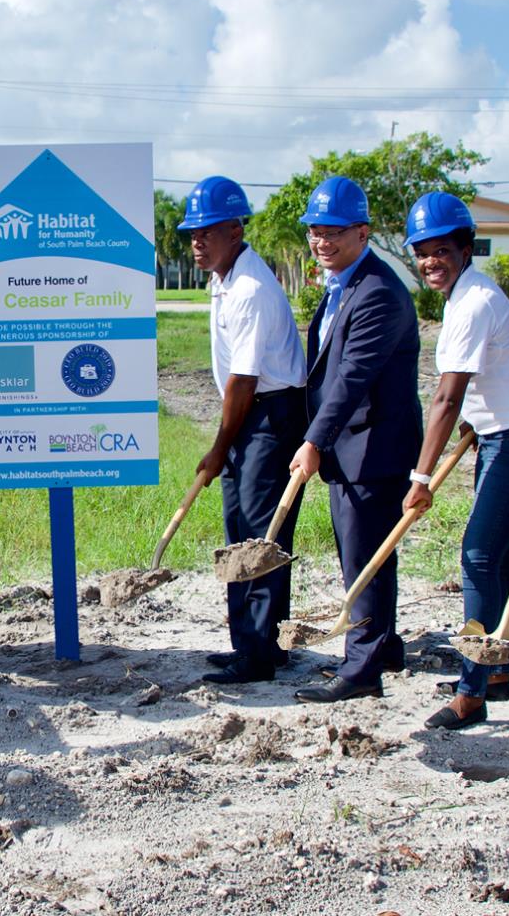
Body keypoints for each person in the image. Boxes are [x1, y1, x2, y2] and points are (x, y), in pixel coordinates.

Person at [403, 192, 509, 731]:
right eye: (422, 251)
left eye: (442, 249)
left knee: (477, 555)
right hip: (501, 433)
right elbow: (479, 385)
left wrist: (421, 477)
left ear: (466, 247)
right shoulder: (460, 295)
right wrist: (476, 421)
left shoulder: (472, 302)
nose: (431, 260)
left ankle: (472, 693)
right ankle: (497, 669)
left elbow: (446, 398)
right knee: (496, 555)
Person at [288, 175, 423, 705]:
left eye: (334, 232)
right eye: (316, 232)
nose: (322, 242)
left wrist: (314, 440)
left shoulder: (379, 294)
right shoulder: (342, 284)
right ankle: (384, 645)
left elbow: (350, 377)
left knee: (363, 557)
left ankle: (363, 666)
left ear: (363, 232)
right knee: (368, 552)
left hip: (373, 447)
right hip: (354, 446)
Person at [179, 176, 307, 685]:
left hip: (270, 416)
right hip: (252, 414)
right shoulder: (225, 279)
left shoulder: (251, 288)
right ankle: (251, 643)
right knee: (240, 530)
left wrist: (218, 448)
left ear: (235, 230)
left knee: (260, 535)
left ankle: (259, 654)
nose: (197, 242)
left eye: (207, 232)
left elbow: (244, 380)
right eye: (192, 233)